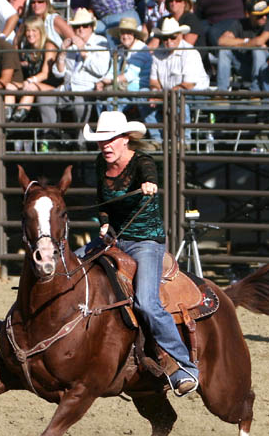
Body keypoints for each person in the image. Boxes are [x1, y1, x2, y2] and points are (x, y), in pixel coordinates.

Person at [82, 109, 200, 396]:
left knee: (147, 302)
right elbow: (102, 201)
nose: (105, 146)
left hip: (146, 242)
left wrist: (149, 184)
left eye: (110, 140)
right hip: (115, 240)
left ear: (125, 139)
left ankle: (185, 366)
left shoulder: (143, 163)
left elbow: (150, 175)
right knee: (71, 266)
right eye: (101, 141)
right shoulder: (101, 164)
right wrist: (105, 221)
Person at [52, 8, 112, 128]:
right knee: (44, 99)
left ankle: (80, 141)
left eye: (85, 26)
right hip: (67, 88)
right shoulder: (71, 44)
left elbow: (100, 70)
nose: (81, 29)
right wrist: (62, 53)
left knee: (80, 102)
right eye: (77, 26)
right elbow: (59, 73)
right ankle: (51, 135)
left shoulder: (101, 42)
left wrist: (83, 51)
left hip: (87, 89)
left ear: (92, 27)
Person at [216, 0, 269, 90]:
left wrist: (236, 43)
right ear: (249, 14)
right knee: (224, 51)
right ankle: (221, 91)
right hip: (244, 65)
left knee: (258, 50)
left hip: (264, 69)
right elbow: (221, 41)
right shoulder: (240, 23)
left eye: (266, 14)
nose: (264, 17)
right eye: (259, 15)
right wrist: (246, 42)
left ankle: (256, 90)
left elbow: (260, 41)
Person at [12, 16, 57, 122]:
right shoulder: (27, 48)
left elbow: (45, 74)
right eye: (28, 30)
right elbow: (15, 49)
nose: (30, 34)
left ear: (40, 31)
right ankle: (5, 118)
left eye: (34, 30)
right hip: (31, 84)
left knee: (30, 88)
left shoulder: (49, 46)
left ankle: (16, 121)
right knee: (10, 86)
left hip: (51, 86)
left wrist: (29, 80)